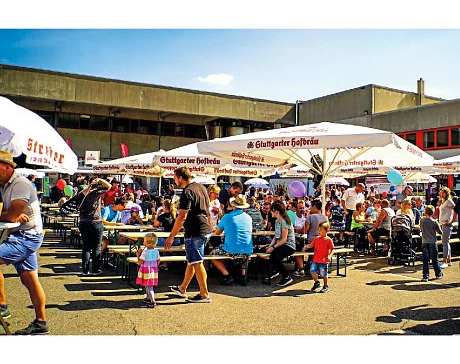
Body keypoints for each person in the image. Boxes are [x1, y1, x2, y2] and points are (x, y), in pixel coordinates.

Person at [0, 151, 49, 335]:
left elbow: (11, 215)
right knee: (30, 279)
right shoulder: (4, 185)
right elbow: (10, 213)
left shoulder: (20, 184)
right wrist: (10, 213)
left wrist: (10, 213)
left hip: (27, 236)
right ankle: (41, 322)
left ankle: (2, 305)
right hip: (21, 234)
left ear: (7, 167)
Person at [164, 167, 213, 303]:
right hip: (206, 228)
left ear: (180, 178)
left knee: (197, 262)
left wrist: (171, 236)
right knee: (192, 260)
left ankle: (204, 294)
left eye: (175, 177)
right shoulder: (201, 187)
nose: (174, 180)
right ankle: (182, 288)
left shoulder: (187, 192)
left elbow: (182, 217)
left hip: (195, 230)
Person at [212, 194, 253, 285]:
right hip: (248, 249)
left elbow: (217, 233)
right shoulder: (248, 217)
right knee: (244, 255)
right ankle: (243, 276)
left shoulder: (227, 217)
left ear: (233, 206)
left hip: (232, 250)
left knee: (213, 255)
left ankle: (227, 275)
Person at [77, 177, 112, 275]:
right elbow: (109, 186)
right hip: (95, 222)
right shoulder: (96, 193)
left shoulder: (81, 194)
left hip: (83, 221)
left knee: (86, 247)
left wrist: (90, 185)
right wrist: (100, 179)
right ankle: (95, 269)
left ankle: (85, 270)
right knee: (96, 247)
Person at [264, 201, 296, 287]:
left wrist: (273, 248)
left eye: (272, 211)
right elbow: (276, 237)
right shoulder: (277, 221)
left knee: (274, 256)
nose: (270, 212)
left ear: (276, 211)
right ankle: (274, 271)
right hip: (281, 244)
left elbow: (284, 240)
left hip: (289, 245)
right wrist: (269, 246)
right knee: (263, 251)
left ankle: (286, 277)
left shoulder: (284, 221)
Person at [303, 221, 334, 293]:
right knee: (312, 271)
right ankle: (316, 282)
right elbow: (311, 245)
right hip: (316, 259)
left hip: (323, 260)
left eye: (321, 230)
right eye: (318, 230)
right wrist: (306, 247)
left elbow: (332, 249)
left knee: (324, 274)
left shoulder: (329, 240)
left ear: (326, 230)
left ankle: (326, 286)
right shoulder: (316, 239)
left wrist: (329, 256)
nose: (319, 231)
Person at [135, 233, 160, 308]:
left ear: (147, 243)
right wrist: (155, 266)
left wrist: (138, 255)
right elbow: (158, 260)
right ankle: (148, 297)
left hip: (146, 270)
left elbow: (140, 262)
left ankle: (153, 301)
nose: (143, 242)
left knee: (149, 286)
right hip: (153, 270)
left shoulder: (145, 252)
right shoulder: (156, 251)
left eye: (144, 241)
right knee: (148, 284)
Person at [419, 205, 443, 282]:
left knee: (425, 260)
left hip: (424, 241)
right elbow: (440, 232)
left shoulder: (422, 221)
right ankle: (438, 273)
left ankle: (425, 276)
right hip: (432, 241)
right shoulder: (434, 222)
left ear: (425, 212)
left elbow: (421, 228)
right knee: (435, 259)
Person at [438, 187, 456, 268]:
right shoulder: (443, 201)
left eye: (443, 193)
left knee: (445, 242)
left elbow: (455, 209)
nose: (441, 194)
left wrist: (451, 221)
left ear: (447, 193)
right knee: (446, 242)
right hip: (442, 223)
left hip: (446, 224)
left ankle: (444, 260)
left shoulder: (449, 201)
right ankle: (448, 260)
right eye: (441, 193)